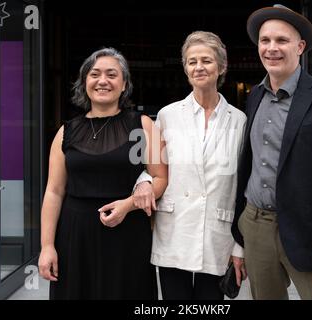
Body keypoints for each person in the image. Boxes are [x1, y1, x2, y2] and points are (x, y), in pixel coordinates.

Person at [231, 5, 312, 300]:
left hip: (309, 233)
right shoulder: (255, 97)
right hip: (257, 227)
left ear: (300, 47)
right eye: (265, 41)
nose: (271, 48)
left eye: (282, 41)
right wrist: (241, 233)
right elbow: (249, 165)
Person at [38, 47, 167, 299]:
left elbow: (161, 178)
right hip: (75, 237)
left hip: (128, 234)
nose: (102, 81)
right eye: (94, 74)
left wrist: (129, 205)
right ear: (85, 82)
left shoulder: (142, 126)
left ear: (124, 84)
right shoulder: (66, 132)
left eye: (111, 74)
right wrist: (47, 246)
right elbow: (54, 192)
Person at [135, 31, 247, 300]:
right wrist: (144, 183)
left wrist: (240, 247)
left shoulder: (240, 120)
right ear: (185, 68)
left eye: (206, 60)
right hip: (175, 229)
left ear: (221, 67)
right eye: (191, 61)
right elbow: (153, 167)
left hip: (218, 231)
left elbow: (244, 186)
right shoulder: (167, 115)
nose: (199, 67)